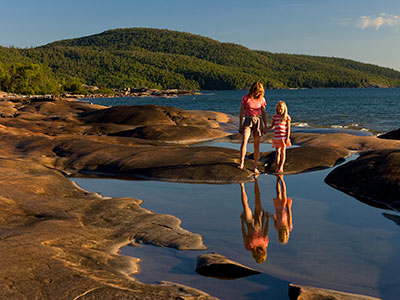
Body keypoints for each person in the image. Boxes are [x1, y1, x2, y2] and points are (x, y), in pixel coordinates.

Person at [238, 82, 268, 174]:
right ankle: (242, 163)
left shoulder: (262, 99)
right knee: (244, 142)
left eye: (259, 92)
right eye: (256, 91)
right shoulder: (246, 98)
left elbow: (263, 113)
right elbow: (241, 112)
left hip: (258, 122)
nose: (257, 93)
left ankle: (255, 166)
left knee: (256, 145)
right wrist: (240, 125)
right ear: (252, 90)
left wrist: (266, 125)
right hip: (247, 120)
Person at [240, 176, 269, 263]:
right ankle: (256, 180)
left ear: (256, 255)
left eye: (259, 254)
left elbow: (244, 234)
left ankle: (242, 186)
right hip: (260, 224)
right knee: (257, 199)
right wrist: (267, 220)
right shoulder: (265, 244)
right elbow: (266, 231)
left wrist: (242, 221)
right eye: (262, 253)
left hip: (250, 225)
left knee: (246, 206)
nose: (261, 252)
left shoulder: (249, 247)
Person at [268, 100, 291, 173]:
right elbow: (272, 126)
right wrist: (266, 129)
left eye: (281, 109)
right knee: (277, 152)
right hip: (276, 137)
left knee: (283, 152)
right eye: (278, 109)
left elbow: (288, 129)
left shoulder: (287, 117)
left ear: (284, 109)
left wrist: (287, 138)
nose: (280, 111)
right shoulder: (275, 117)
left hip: (283, 137)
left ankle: (281, 166)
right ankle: (277, 166)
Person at [272, 174, 293, 244]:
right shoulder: (289, 226)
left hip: (278, 209)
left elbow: (275, 218)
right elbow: (290, 216)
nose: (282, 235)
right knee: (284, 193)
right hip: (284, 209)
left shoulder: (277, 227)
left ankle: (278, 179)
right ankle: (282, 179)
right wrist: (289, 207)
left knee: (278, 193)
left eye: (281, 236)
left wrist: (270, 216)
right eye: (283, 236)